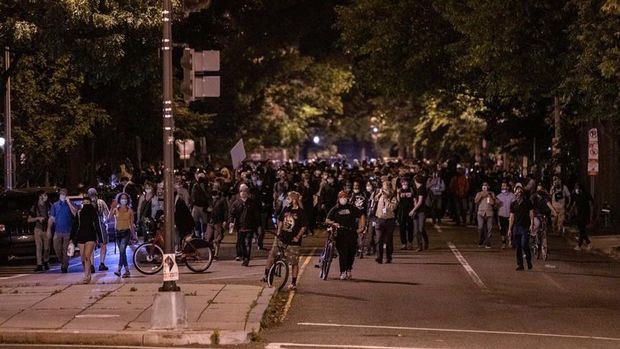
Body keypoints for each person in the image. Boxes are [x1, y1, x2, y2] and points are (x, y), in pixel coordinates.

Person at [263, 191, 307, 289]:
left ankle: (293, 283)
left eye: (289, 198)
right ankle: (266, 275)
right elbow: (281, 221)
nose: (288, 200)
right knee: (272, 254)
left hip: (293, 241)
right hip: (282, 238)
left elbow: (303, 227)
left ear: (294, 199)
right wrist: (278, 233)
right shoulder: (286, 209)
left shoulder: (301, 212)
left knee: (294, 262)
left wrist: (297, 237)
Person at [326, 191, 365, 280]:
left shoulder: (352, 208)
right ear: (338, 198)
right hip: (340, 233)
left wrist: (362, 227)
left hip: (351, 232)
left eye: (345, 197)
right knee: (343, 253)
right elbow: (327, 220)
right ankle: (343, 271)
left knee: (351, 253)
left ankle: (349, 269)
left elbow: (361, 215)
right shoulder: (335, 209)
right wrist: (334, 223)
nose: (343, 199)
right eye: (341, 197)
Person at [70, 196, 102, 283]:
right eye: (84, 203)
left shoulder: (93, 212)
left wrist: (100, 238)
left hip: (91, 236)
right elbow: (75, 226)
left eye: (87, 203)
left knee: (87, 256)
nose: (86, 205)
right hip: (81, 236)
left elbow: (97, 225)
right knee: (83, 258)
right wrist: (71, 239)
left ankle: (86, 276)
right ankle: (87, 273)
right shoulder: (79, 213)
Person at [229, 185, 261, 266]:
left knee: (248, 243)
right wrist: (231, 222)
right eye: (241, 191)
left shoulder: (252, 203)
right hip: (240, 227)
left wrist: (257, 226)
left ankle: (247, 258)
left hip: (249, 226)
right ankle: (244, 256)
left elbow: (256, 215)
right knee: (241, 243)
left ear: (247, 193)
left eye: (244, 191)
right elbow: (232, 214)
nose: (243, 193)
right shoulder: (236, 203)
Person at [47, 188, 77, 273]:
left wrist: (69, 202)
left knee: (65, 249)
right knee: (57, 248)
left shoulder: (71, 204)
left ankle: (64, 265)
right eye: (61, 194)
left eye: (64, 194)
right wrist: (49, 229)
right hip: (58, 231)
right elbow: (52, 218)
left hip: (68, 231)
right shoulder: (55, 205)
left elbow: (75, 213)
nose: (62, 195)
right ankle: (63, 261)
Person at [508, 183, 534, 271]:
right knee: (518, 246)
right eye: (517, 191)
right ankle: (520, 264)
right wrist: (509, 229)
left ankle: (528, 260)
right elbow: (511, 217)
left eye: (520, 191)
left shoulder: (527, 202)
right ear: (515, 193)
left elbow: (531, 213)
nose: (519, 193)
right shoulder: (513, 204)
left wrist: (532, 224)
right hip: (516, 227)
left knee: (524, 244)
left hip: (525, 227)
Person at [109, 193, 136, 278]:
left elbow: (131, 224)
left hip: (126, 232)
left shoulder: (130, 211)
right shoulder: (115, 209)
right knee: (122, 252)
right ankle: (127, 271)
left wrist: (134, 235)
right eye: (122, 198)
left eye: (125, 198)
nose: (123, 200)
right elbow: (109, 219)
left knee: (122, 250)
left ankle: (119, 269)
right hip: (117, 233)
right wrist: (112, 208)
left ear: (127, 200)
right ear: (119, 200)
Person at [374, 177, 398, 264]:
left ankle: (389, 257)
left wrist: (386, 199)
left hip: (389, 220)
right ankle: (379, 257)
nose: (386, 186)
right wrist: (379, 195)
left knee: (388, 240)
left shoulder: (392, 196)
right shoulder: (379, 194)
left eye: (388, 185)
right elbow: (374, 200)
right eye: (384, 184)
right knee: (379, 239)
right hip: (379, 219)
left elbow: (393, 207)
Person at [87, 188, 110, 271]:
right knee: (103, 244)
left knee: (91, 246)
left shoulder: (86, 203)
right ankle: (102, 263)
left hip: (90, 226)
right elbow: (107, 214)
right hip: (100, 224)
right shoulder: (101, 202)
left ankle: (92, 265)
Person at [28, 191, 51, 272]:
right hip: (38, 229)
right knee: (38, 247)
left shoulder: (48, 205)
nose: (46, 197)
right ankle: (39, 264)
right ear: (40, 196)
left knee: (47, 248)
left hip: (46, 229)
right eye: (45, 195)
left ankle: (45, 261)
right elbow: (29, 219)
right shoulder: (34, 207)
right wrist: (38, 218)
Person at [569, 183, 594, 251]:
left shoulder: (586, 195)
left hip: (585, 214)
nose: (576, 189)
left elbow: (591, 205)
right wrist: (571, 211)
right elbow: (574, 204)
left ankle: (579, 245)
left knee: (582, 230)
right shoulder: (577, 196)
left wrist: (591, 216)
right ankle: (588, 243)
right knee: (582, 230)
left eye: (577, 188)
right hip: (579, 215)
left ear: (580, 188)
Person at [206, 189, 227, 259]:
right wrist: (208, 210)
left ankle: (216, 255)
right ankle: (211, 251)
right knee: (208, 238)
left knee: (216, 239)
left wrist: (225, 220)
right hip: (210, 221)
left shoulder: (222, 200)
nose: (213, 196)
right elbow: (206, 209)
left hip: (218, 221)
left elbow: (225, 210)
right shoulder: (209, 200)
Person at [410, 174, 429, 251]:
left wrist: (413, 210)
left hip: (422, 211)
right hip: (416, 210)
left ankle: (426, 241)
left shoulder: (422, 188)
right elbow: (414, 199)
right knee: (416, 230)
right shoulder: (414, 188)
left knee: (421, 228)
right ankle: (419, 246)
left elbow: (420, 202)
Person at [474, 182, 496, 248]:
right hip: (481, 213)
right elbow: (476, 201)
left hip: (489, 213)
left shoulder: (491, 193)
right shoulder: (479, 193)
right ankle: (481, 239)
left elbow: (492, 203)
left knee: (489, 228)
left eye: (486, 185)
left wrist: (488, 195)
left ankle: (488, 241)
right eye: (483, 185)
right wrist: (481, 195)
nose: (484, 187)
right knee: (480, 227)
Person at [496, 181, 516, 249]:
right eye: (502, 186)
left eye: (504, 186)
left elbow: (514, 206)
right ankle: (503, 242)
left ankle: (510, 241)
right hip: (501, 215)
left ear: (508, 187)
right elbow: (495, 206)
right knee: (502, 230)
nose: (503, 187)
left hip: (510, 215)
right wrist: (497, 203)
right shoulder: (498, 196)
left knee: (511, 229)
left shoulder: (512, 196)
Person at [396, 178, 415, 250]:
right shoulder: (400, 190)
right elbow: (398, 201)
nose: (404, 185)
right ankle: (404, 243)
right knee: (402, 227)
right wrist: (398, 193)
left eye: (406, 183)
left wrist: (413, 210)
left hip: (409, 209)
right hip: (402, 210)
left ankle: (410, 242)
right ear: (401, 183)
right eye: (403, 183)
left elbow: (414, 199)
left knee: (410, 227)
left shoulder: (411, 189)